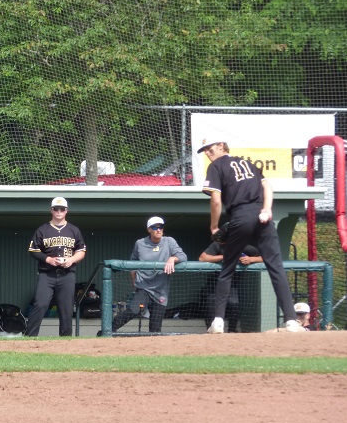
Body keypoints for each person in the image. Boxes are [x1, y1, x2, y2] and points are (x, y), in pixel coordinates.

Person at [199, 140, 302, 333]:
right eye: (204, 150)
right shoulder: (248, 163)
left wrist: (214, 226)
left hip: (240, 215)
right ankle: (291, 321)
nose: (207, 152)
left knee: (227, 269)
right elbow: (268, 187)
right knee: (276, 267)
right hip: (261, 215)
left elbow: (215, 200)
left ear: (222, 146)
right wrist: (266, 209)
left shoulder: (216, 166)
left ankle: (218, 322)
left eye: (210, 147)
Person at [107, 217, 186, 334]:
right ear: (149, 229)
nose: (158, 230)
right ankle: (107, 331)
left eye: (161, 227)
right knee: (133, 310)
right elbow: (132, 264)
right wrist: (134, 283)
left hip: (161, 291)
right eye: (155, 227)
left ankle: (153, 350)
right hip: (143, 287)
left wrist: (173, 258)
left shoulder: (169, 241)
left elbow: (183, 257)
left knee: (155, 327)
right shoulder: (140, 243)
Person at [25, 197, 87, 337]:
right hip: (47, 274)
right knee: (40, 304)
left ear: (66, 211)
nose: (59, 211)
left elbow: (81, 251)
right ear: (51, 210)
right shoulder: (43, 229)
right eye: (56, 209)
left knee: (66, 309)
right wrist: (48, 259)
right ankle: (29, 337)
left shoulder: (73, 230)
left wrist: (71, 260)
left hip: (67, 274)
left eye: (62, 209)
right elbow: (33, 250)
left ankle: (65, 341)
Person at [198, 241, 263, 332]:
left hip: (232, 283)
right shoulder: (218, 245)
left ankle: (232, 330)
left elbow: (265, 257)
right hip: (213, 283)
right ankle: (210, 329)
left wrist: (251, 259)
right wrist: (223, 257)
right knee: (211, 306)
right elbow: (202, 258)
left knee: (234, 304)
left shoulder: (244, 246)